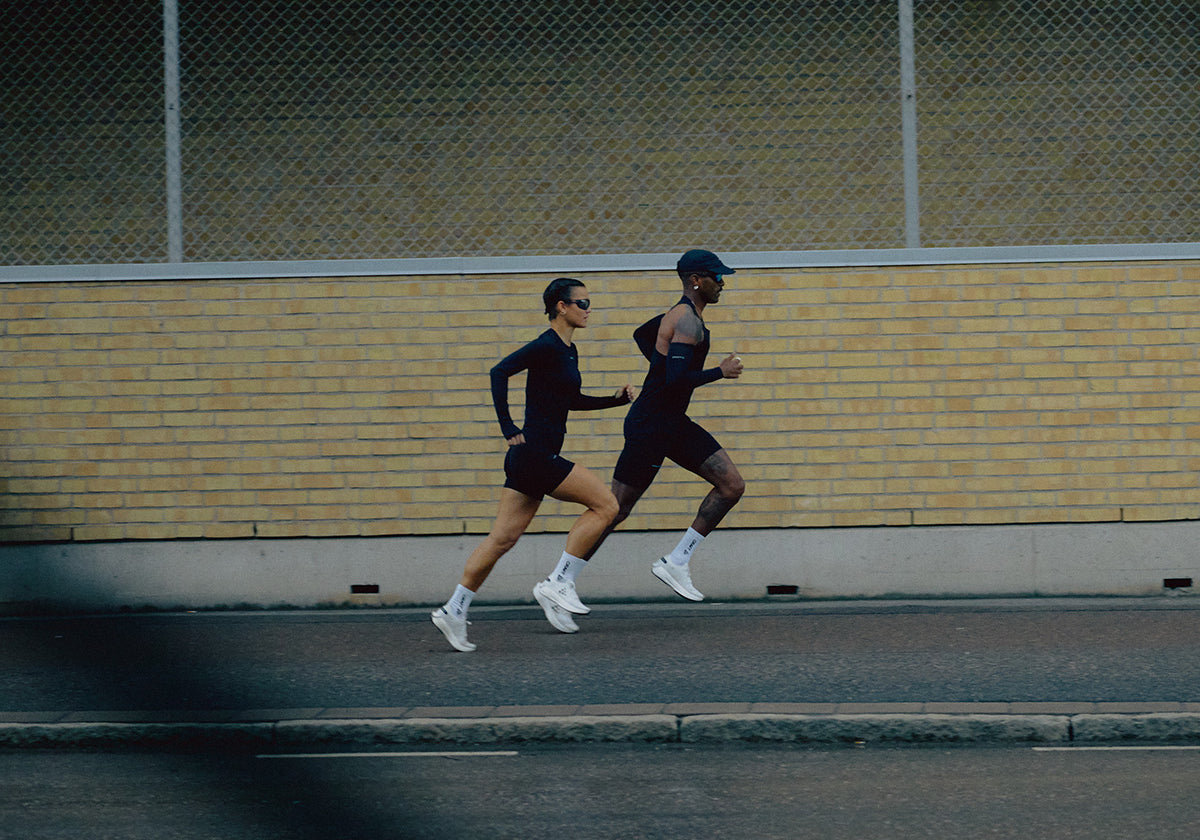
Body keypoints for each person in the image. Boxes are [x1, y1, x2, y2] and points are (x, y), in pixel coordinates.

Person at [431, 278, 634, 651]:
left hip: (529, 459)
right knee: (607, 505)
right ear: (561, 306)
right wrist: (508, 427)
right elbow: (499, 372)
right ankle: (558, 582)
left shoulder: (567, 351)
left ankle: (453, 609)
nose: (589, 309)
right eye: (582, 302)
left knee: (502, 539)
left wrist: (613, 401)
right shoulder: (545, 345)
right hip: (536, 454)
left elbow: (570, 401)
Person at [581, 249, 746, 601]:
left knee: (731, 485)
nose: (722, 283)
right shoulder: (685, 320)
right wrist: (720, 372)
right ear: (695, 281)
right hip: (651, 425)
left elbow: (644, 336)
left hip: (671, 423)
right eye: (717, 277)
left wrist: (659, 363)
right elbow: (674, 381)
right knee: (615, 509)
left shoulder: (682, 318)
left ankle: (676, 561)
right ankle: (561, 579)